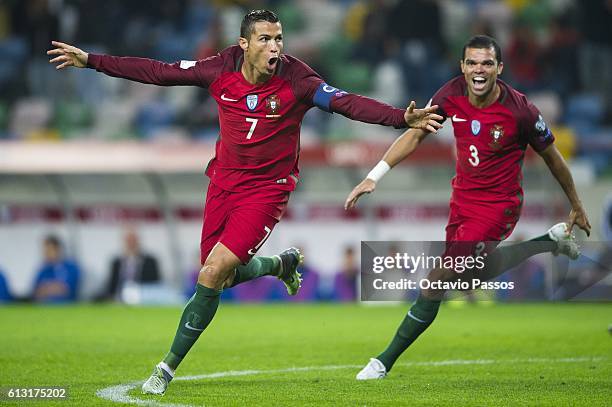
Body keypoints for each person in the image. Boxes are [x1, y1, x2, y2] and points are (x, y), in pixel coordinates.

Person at [48, 9, 442, 395]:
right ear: (245, 43)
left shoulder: (298, 78)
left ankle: (165, 369)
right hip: (223, 183)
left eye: (279, 38)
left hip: (267, 189)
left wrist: (397, 118)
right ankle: (279, 263)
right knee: (220, 274)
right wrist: (92, 61)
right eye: (266, 39)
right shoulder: (219, 69)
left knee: (212, 271)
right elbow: (158, 71)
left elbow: (346, 102)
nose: (275, 47)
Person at [345, 35, 592, 380]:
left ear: (499, 68)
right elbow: (416, 133)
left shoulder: (519, 109)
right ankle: (549, 242)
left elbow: (553, 158)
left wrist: (577, 204)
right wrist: (375, 175)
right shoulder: (450, 94)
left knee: (437, 280)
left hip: (498, 206)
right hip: (461, 201)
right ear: (462, 66)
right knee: (472, 274)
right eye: (472, 63)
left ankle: (382, 361)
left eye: (487, 63)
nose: (479, 70)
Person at [99, 227, 161, 302]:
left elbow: (155, 284)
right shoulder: (116, 262)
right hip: (118, 299)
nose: (131, 243)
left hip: (142, 298)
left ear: (138, 241)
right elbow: (111, 286)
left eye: (133, 240)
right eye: (128, 240)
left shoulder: (150, 261)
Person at [32, 235, 81, 303]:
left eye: (49, 250)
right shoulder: (43, 270)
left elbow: (67, 289)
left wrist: (46, 289)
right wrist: (54, 288)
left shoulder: (71, 268)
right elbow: (36, 291)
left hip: (66, 307)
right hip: (44, 307)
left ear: (58, 250)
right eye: (45, 250)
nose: (46, 253)